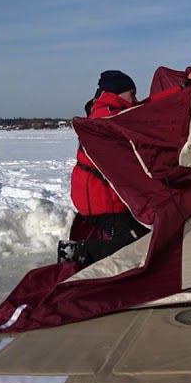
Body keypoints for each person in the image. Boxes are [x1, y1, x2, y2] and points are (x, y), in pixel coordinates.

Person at [64, 70, 150, 265]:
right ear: (117, 94)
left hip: (99, 195)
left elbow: (148, 105)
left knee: (144, 233)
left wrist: (181, 88)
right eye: (132, 94)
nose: (136, 99)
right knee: (135, 241)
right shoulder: (108, 118)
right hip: (100, 199)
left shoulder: (110, 112)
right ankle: (75, 253)